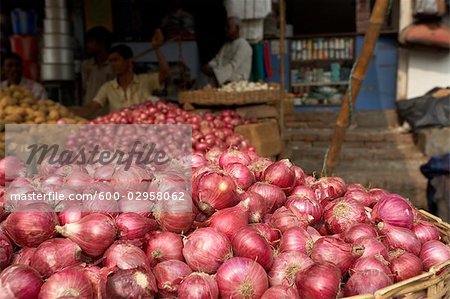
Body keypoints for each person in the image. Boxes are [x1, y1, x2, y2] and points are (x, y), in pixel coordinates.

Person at [71, 29, 170, 118]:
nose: (112, 64)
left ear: (129, 61)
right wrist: (66, 111)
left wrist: (156, 49)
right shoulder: (108, 87)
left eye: (116, 60)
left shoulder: (145, 81)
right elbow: (90, 108)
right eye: (111, 61)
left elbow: (165, 73)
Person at [201, 17, 252, 87]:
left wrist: (214, 73)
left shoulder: (244, 46)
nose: (225, 29)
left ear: (237, 29)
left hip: (237, 85)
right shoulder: (226, 44)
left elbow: (233, 66)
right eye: (225, 27)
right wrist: (208, 66)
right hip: (223, 82)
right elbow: (218, 60)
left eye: (228, 27)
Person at [81, 26, 114, 106]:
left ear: (102, 43)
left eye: (91, 41)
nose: (88, 45)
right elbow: (83, 89)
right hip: (88, 113)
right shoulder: (86, 65)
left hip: (108, 114)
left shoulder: (114, 65)